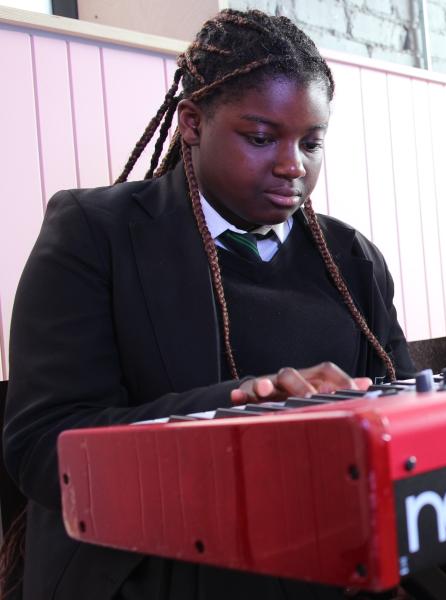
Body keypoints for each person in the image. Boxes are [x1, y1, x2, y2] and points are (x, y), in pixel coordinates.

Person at [3, 10, 413, 599]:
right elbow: (44, 449)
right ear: (192, 124)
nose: (292, 165)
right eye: (262, 137)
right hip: (150, 562)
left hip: (331, 549)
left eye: (312, 142)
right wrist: (243, 407)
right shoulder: (96, 236)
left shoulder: (353, 259)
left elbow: (406, 406)